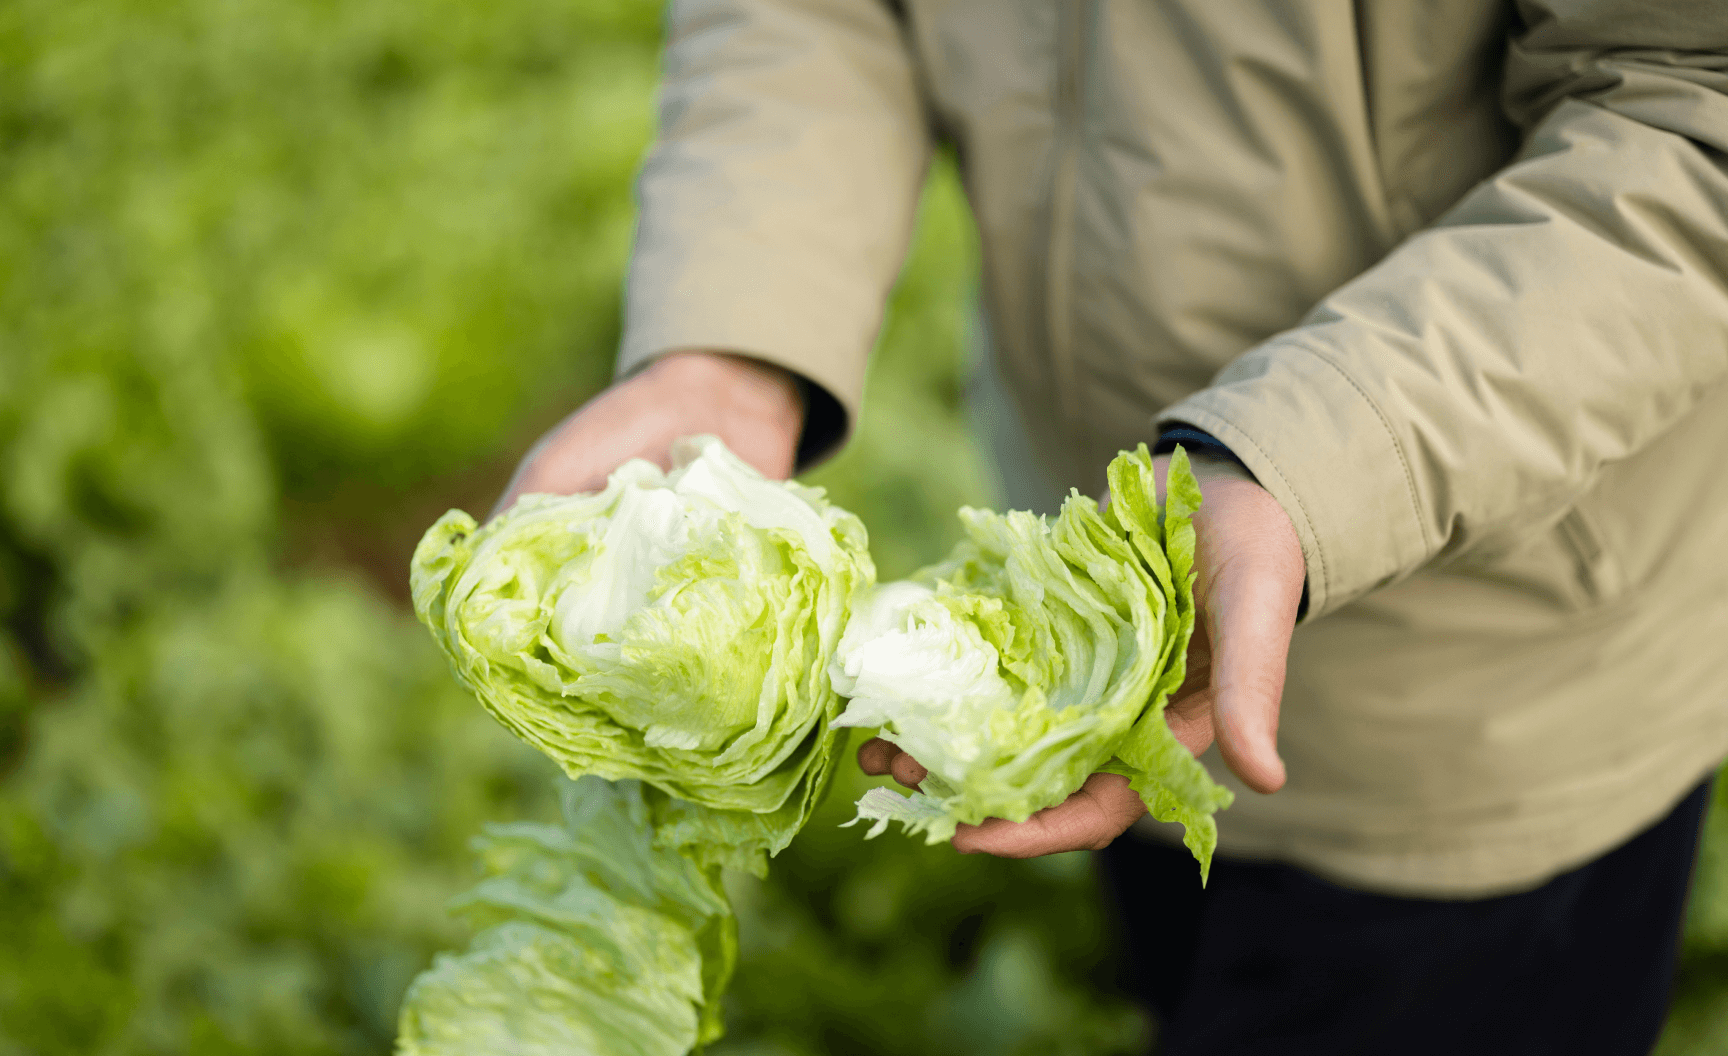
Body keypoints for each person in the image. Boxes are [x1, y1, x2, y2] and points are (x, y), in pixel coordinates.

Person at [496, 2, 1728, 1051]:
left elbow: (1692, 110)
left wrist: (1311, 457)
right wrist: (735, 339)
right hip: (1126, 603)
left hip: (1498, 689)